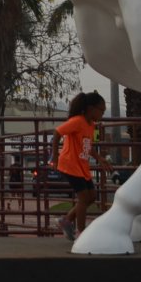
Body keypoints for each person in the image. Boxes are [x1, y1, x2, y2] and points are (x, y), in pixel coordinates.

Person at [50, 91, 112, 240]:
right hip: (70, 164)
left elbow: (87, 146)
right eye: (101, 110)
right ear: (91, 109)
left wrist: (99, 158)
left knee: (92, 197)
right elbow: (57, 132)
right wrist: (55, 158)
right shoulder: (77, 121)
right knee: (84, 198)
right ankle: (81, 232)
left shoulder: (91, 125)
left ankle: (66, 221)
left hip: (81, 166)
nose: (102, 114)